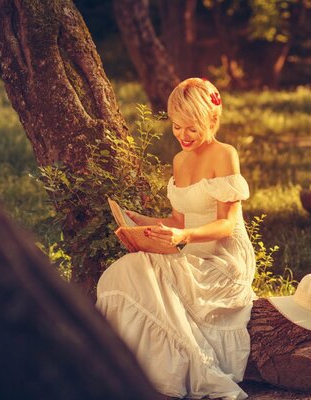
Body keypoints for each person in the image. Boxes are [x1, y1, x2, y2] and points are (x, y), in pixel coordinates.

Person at [96, 78, 256, 400]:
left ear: (211, 119)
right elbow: (177, 221)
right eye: (177, 127)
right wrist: (141, 222)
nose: (183, 136)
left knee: (141, 272)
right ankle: (125, 369)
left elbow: (226, 225)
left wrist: (183, 236)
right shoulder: (180, 161)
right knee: (126, 270)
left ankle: (184, 367)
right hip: (192, 250)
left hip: (224, 260)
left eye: (192, 128)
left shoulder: (225, 154)